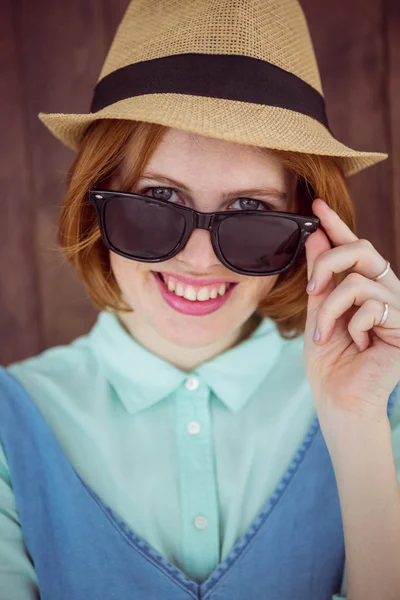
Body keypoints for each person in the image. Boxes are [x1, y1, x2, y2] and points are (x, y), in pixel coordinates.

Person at [1, 0, 399, 598]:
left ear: (309, 230)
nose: (200, 258)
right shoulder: (7, 425)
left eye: (251, 211)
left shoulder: (381, 403)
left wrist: (356, 424)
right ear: (94, 200)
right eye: (158, 198)